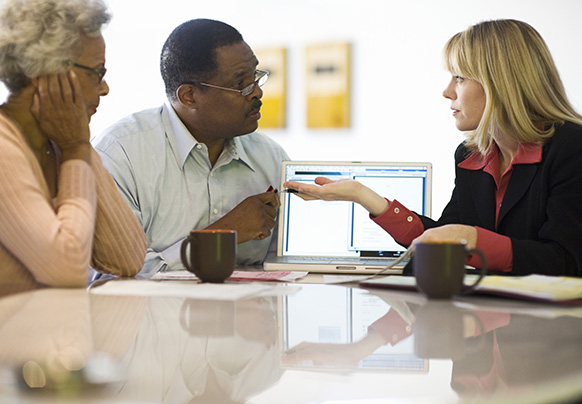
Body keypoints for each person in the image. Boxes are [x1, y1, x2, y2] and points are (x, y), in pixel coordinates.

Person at [284, 19, 582, 277]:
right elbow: (443, 237)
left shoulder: (572, 148)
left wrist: (472, 238)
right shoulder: (470, 155)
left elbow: (566, 262)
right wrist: (365, 197)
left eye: (460, 77)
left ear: (501, 84)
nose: (447, 91)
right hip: (492, 323)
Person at [93, 19, 289, 276]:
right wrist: (222, 235)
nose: (257, 93)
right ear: (189, 96)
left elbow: (286, 267)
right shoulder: (120, 155)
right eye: (241, 84)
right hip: (151, 316)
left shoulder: (271, 159)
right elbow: (114, 275)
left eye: (256, 77)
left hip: (250, 313)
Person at [0, 0, 147, 294]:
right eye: (97, 73)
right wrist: (76, 149)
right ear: (48, 71)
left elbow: (127, 258)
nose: (104, 88)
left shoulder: (63, 143)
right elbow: (68, 270)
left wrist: (76, 147)